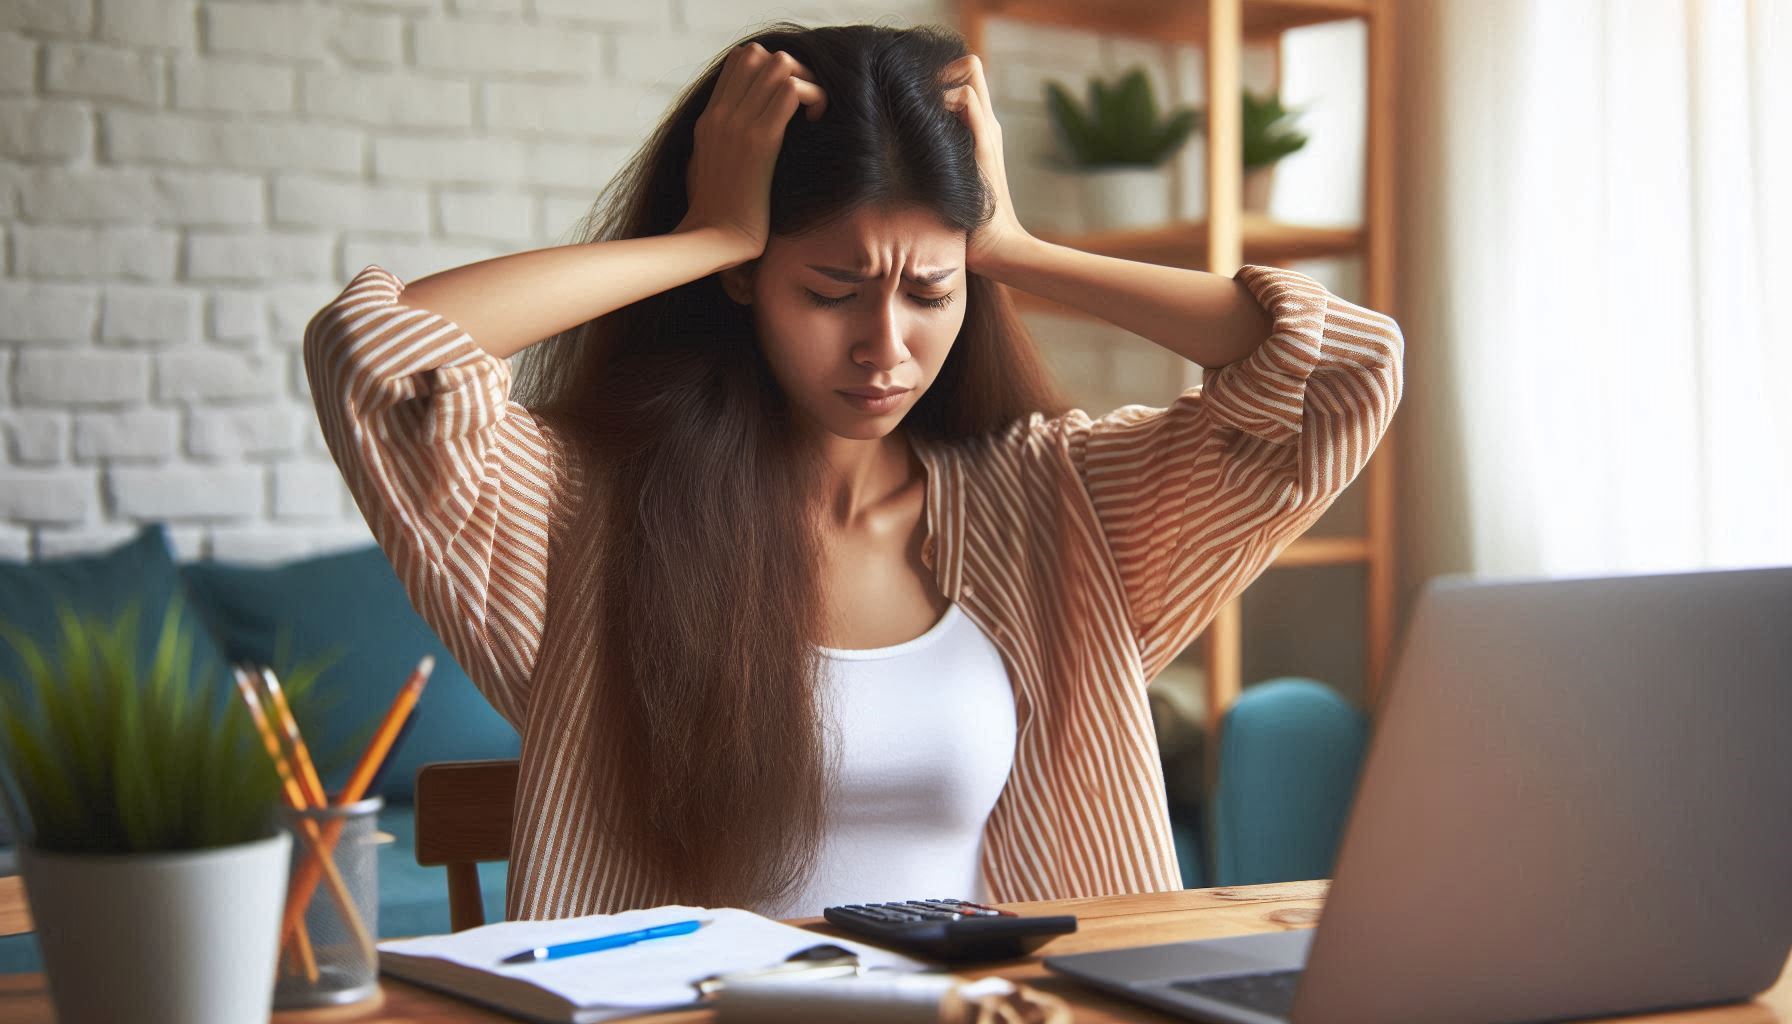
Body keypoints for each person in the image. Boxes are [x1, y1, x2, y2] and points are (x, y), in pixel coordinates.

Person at [302, 22, 1404, 923]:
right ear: (747, 282)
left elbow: (1346, 372)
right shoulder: (592, 510)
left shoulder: (1050, 501)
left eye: (930, 291)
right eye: (829, 291)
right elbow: (377, 356)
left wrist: (1014, 243)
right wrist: (705, 233)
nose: (885, 347)